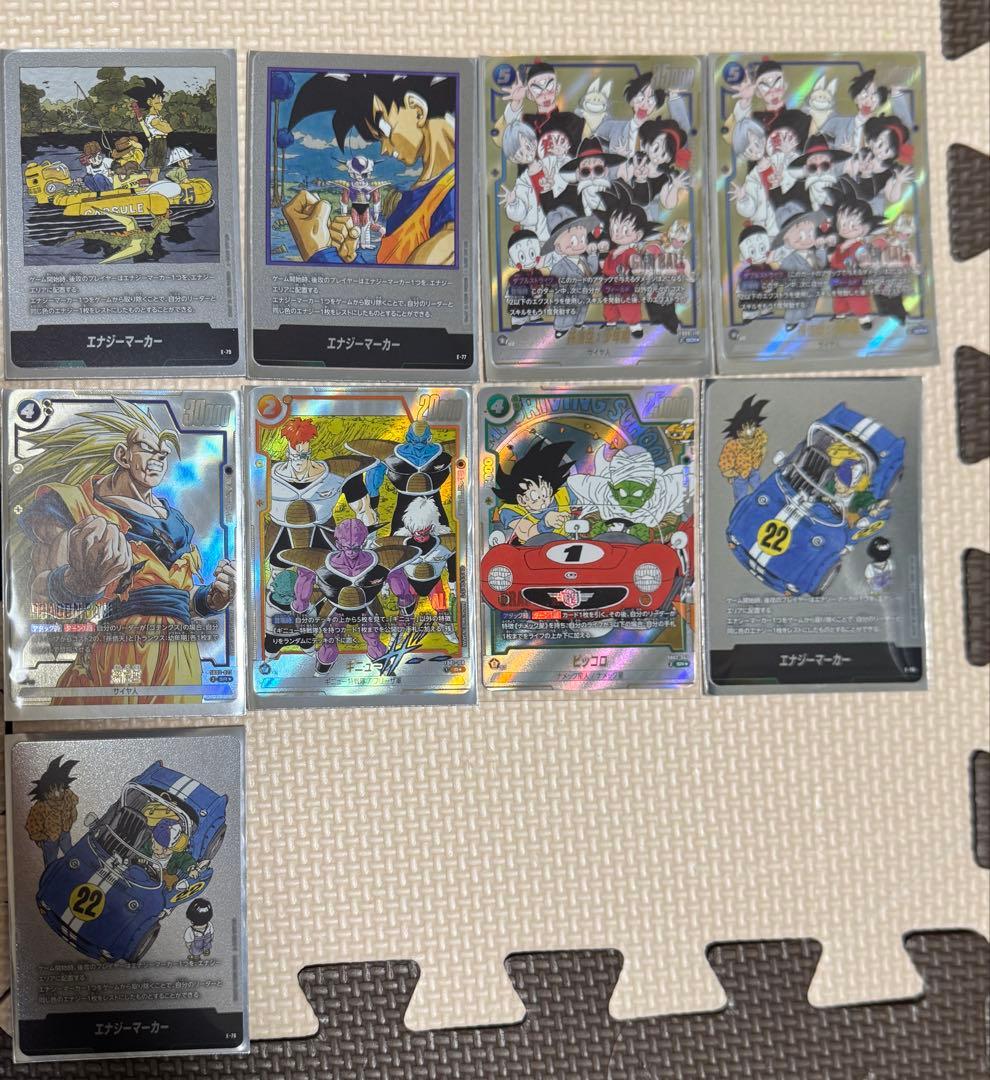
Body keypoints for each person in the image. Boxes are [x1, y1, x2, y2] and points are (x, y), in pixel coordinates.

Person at [15, 398, 236, 705]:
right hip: (116, 655)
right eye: (148, 450)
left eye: (162, 454)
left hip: (179, 661)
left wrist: (211, 599)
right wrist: (82, 583)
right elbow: (40, 593)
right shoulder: (74, 506)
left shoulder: (176, 523)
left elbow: (176, 597)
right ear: (122, 455)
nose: (158, 460)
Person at [283, 72, 457, 265]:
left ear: (417, 110)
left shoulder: (454, 201)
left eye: (384, 130)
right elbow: (388, 275)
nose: (384, 149)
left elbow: (410, 284)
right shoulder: (418, 197)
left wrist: (319, 252)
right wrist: (349, 259)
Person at [25, 756, 79, 867]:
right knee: (51, 861)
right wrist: (41, 838)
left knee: (71, 854)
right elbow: (32, 825)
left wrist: (71, 818)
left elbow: (72, 806)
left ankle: (75, 869)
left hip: (64, 832)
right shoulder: (40, 807)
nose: (60, 792)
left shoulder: (67, 796)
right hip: (49, 838)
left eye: (61, 788)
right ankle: (51, 875)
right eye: (55, 790)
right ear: (45, 792)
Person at [126, 76, 172, 182]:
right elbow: (168, 129)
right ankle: (153, 185)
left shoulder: (156, 118)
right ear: (150, 102)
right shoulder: (153, 119)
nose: (161, 104)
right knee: (155, 169)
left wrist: (164, 124)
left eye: (161, 101)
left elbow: (167, 128)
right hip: (157, 142)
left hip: (160, 142)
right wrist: (164, 124)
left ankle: (151, 183)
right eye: (158, 102)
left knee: (156, 169)